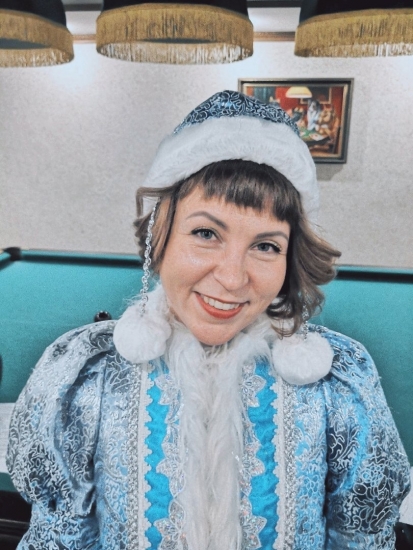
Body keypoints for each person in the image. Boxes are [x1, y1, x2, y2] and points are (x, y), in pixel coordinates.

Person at [7, 90, 410, 549]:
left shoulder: (337, 386)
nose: (233, 278)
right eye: (205, 233)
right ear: (159, 238)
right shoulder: (87, 377)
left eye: (266, 246)